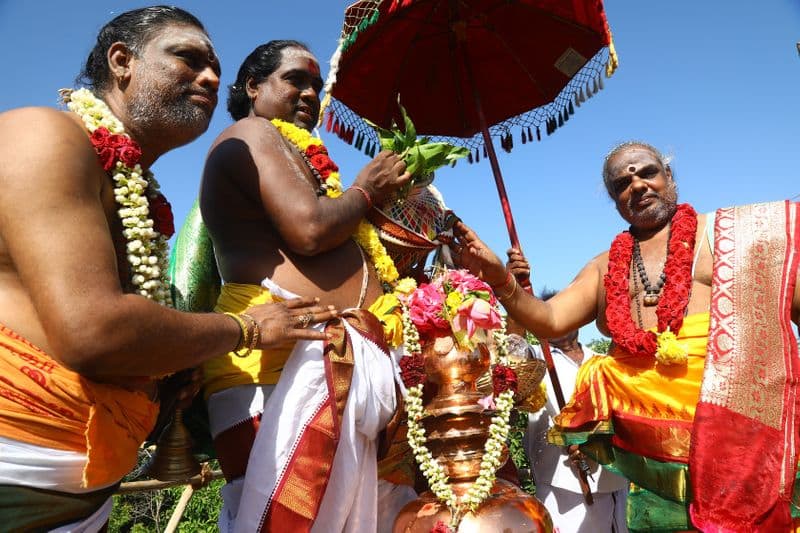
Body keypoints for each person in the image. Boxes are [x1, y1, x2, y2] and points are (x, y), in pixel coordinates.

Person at [0, 9, 333, 531]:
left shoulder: (136, 188)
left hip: (85, 498)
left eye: (215, 67)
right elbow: (92, 331)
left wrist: (170, 368)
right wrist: (245, 328)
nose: (211, 78)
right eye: (188, 58)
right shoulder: (42, 135)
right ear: (122, 62)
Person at [452, 141, 800, 532]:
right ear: (615, 200)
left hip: (739, 444)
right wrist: (501, 280)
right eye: (622, 182)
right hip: (653, 467)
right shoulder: (604, 266)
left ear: (669, 177)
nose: (636, 185)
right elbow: (550, 320)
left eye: (647, 172)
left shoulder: (726, 239)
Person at [197, 41, 413, 531]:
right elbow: (310, 230)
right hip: (276, 360)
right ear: (253, 88)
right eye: (295, 79)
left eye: (316, 84)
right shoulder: (251, 133)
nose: (310, 92)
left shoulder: (305, 159)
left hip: (351, 358)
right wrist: (366, 190)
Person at [525, 290, 628, 533]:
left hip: (612, 478)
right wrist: (510, 288)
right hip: (560, 483)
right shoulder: (535, 358)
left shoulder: (602, 360)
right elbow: (511, 355)